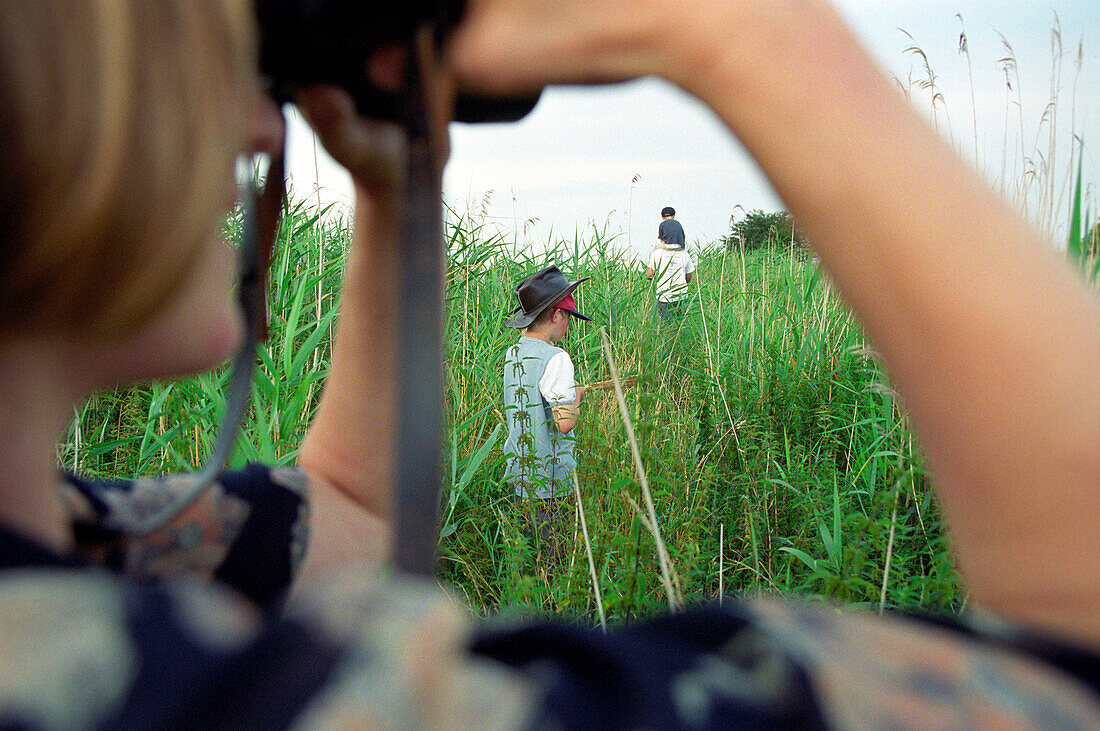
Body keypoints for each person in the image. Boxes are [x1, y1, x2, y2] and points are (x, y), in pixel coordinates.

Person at [0, 1, 1097, 729]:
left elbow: (350, 518)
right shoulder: (165, 691)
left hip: (520, 469)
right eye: (184, 52)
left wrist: (399, 185)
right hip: (550, 477)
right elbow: (1064, 674)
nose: (254, 122)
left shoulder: (78, 544)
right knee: (550, 524)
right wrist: (742, 32)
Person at [501, 265, 591, 564]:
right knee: (554, 561)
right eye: (568, 317)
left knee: (528, 559)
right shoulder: (558, 359)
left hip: (520, 473)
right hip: (549, 483)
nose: (568, 325)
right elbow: (564, 423)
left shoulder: (514, 353)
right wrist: (575, 398)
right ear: (556, 315)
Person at [647, 207, 696, 321]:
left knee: (666, 325)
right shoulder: (685, 254)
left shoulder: (657, 253)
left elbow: (649, 274)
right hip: (681, 296)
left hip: (664, 296)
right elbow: (688, 277)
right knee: (679, 324)